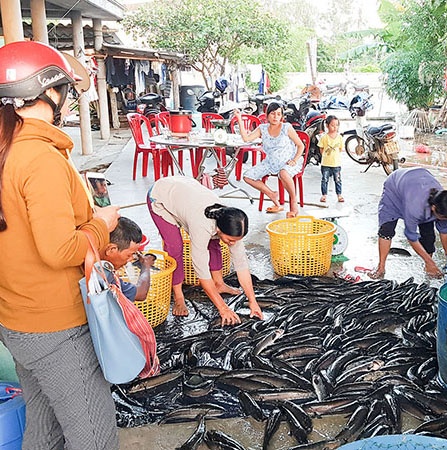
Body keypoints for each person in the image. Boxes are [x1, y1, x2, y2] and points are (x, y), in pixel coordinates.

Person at [0, 41, 120, 449]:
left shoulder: (6, 151)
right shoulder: (39, 158)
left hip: (16, 319)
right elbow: (59, 250)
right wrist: (100, 226)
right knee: (94, 437)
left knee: (44, 428)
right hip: (55, 328)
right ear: (49, 92)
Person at [147, 176, 262, 326]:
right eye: (231, 240)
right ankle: (178, 296)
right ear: (219, 228)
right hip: (161, 197)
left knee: (214, 244)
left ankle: (219, 284)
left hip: (186, 192)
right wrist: (223, 309)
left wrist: (253, 302)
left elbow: (241, 265)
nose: (233, 243)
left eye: (236, 240)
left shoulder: (231, 223)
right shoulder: (201, 225)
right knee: (175, 247)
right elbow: (201, 272)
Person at [370, 167, 447, 279]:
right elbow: (411, 237)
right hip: (394, 188)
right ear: (433, 207)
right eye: (442, 217)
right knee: (386, 230)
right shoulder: (415, 207)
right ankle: (381, 267)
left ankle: (428, 266)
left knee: (428, 236)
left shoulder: (444, 202)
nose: (445, 219)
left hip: (418, 179)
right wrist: (431, 262)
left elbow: (444, 230)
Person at [234, 102, 305, 218]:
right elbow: (246, 138)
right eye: (273, 114)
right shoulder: (262, 129)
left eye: (278, 114)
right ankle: (272, 194)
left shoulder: (286, 127)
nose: (276, 117)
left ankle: (293, 202)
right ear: (267, 115)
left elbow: (300, 145)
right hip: (270, 163)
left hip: (288, 162)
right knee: (247, 176)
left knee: (283, 173)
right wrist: (239, 119)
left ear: (282, 116)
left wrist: (295, 160)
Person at [103, 216, 155, 301]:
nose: (131, 259)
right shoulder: (105, 275)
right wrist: (146, 265)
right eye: (129, 255)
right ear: (111, 249)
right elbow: (140, 293)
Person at [318, 115, 344, 203]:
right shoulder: (324, 137)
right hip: (325, 163)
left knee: (338, 180)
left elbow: (340, 149)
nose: (335, 127)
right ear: (327, 125)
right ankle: (324, 195)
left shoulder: (339, 137)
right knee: (325, 179)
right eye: (332, 125)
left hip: (336, 163)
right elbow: (321, 149)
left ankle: (339, 195)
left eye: (336, 125)